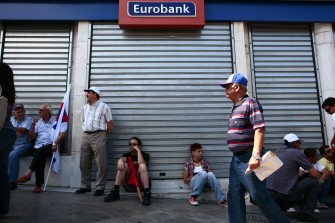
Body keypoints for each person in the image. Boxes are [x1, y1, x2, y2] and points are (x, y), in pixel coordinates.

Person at [220, 72, 290, 223]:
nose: (225, 90)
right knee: (234, 195)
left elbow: (260, 129)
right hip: (236, 159)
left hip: (248, 157)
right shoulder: (236, 107)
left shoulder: (250, 103)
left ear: (236, 87)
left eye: (227, 87)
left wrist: (255, 156)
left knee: (258, 195)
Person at [267, 133, 319, 222]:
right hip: (282, 196)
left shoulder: (275, 152)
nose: (300, 145)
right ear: (295, 143)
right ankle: (305, 213)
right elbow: (314, 174)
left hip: (269, 194)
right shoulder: (297, 153)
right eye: (299, 142)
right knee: (313, 181)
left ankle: (281, 207)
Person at [16, 104, 67, 193]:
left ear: (47, 111)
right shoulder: (38, 122)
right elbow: (31, 137)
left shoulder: (56, 121)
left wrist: (55, 142)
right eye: (38, 110)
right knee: (40, 154)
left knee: (41, 151)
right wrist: (32, 126)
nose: (39, 112)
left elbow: (63, 133)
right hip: (39, 147)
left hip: (51, 146)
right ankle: (37, 184)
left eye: (41, 110)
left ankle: (30, 175)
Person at [75, 86, 113, 197]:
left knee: (101, 162)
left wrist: (105, 136)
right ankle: (85, 186)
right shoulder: (85, 107)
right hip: (86, 135)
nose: (87, 94)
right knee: (83, 162)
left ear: (95, 94)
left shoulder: (104, 106)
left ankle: (100, 187)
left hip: (99, 135)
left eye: (89, 93)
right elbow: (83, 121)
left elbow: (110, 123)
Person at [104, 137, 151, 206]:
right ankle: (115, 191)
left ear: (139, 146)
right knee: (124, 165)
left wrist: (138, 151)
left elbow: (141, 163)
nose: (132, 146)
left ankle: (147, 193)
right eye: (130, 144)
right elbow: (123, 159)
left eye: (134, 144)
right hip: (128, 186)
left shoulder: (145, 155)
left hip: (141, 187)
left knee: (142, 166)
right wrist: (120, 160)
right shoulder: (127, 155)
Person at [183, 143, 228, 207]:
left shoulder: (205, 163)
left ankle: (221, 200)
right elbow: (185, 180)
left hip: (205, 185)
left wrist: (202, 175)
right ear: (193, 152)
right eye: (198, 151)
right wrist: (196, 177)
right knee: (203, 173)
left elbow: (210, 177)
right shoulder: (188, 163)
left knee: (210, 173)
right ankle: (193, 197)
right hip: (194, 185)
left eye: (201, 151)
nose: (200, 153)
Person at [0, 62, 16, 219]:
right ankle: (3, 209)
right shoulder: (8, 93)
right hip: (7, 132)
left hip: (1, 132)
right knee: (2, 173)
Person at [8, 104, 32, 190]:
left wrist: (11, 129)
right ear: (14, 113)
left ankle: (12, 181)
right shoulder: (11, 120)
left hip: (25, 145)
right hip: (13, 145)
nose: (20, 113)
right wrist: (14, 130)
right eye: (18, 112)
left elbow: (23, 130)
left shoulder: (28, 119)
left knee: (13, 155)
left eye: (22, 111)